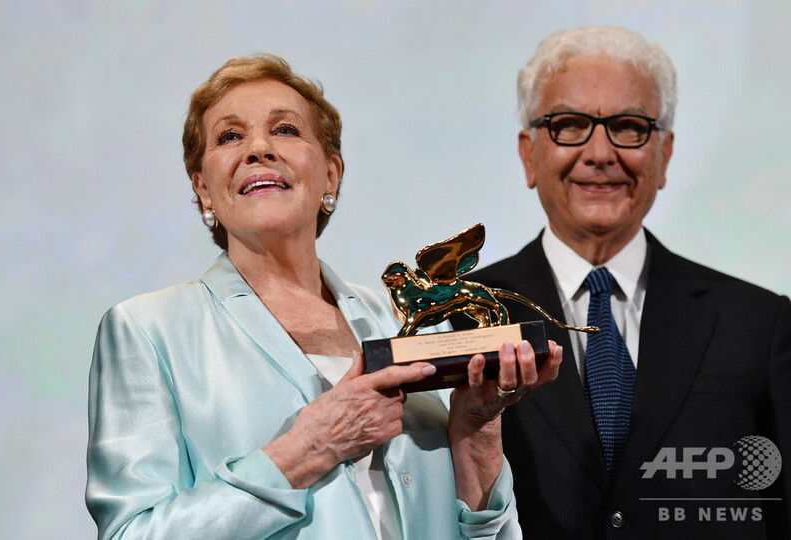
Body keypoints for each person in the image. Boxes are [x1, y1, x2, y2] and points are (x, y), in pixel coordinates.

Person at [85, 53, 563, 540]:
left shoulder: (411, 323)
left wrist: (477, 434)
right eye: (230, 137)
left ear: (330, 175)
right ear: (204, 188)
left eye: (285, 130)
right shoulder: (147, 332)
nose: (258, 149)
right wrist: (309, 448)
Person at [458, 26, 791, 539]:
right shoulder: (462, 319)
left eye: (629, 126)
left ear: (664, 155)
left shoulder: (757, 323)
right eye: (569, 125)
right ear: (529, 155)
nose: (600, 153)